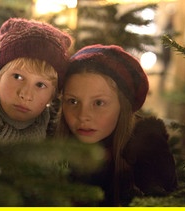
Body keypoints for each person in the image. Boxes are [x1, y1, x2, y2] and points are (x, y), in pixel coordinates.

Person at [56, 44, 178, 206]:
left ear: (123, 105)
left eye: (99, 103)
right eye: (73, 101)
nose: (83, 116)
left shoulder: (146, 151)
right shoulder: (48, 141)